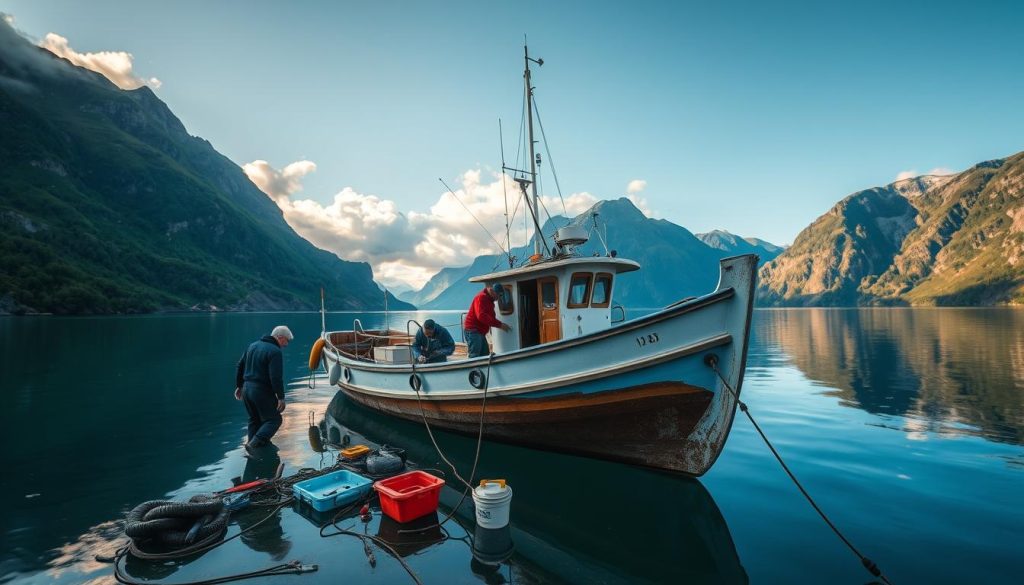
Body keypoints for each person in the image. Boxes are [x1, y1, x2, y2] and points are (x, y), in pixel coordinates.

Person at [234, 325, 293, 455]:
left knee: (254, 419)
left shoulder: (252, 346)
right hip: (260, 390)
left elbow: (240, 366)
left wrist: (239, 386)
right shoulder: (274, 351)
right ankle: (254, 444)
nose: (286, 344)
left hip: (247, 388)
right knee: (274, 420)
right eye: (287, 340)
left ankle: (254, 448)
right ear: (280, 337)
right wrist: (281, 397)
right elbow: (275, 377)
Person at [464, 284, 511, 358]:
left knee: (484, 355)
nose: (498, 298)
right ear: (492, 291)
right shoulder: (481, 297)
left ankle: (481, 369)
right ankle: (472, 369)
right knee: (474, 356)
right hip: (473, 331)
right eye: (498, 295)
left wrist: (498, 324)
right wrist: (500, 325)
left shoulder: (489, 300)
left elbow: (489, 316)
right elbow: (481, 316)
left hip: (479, 331)